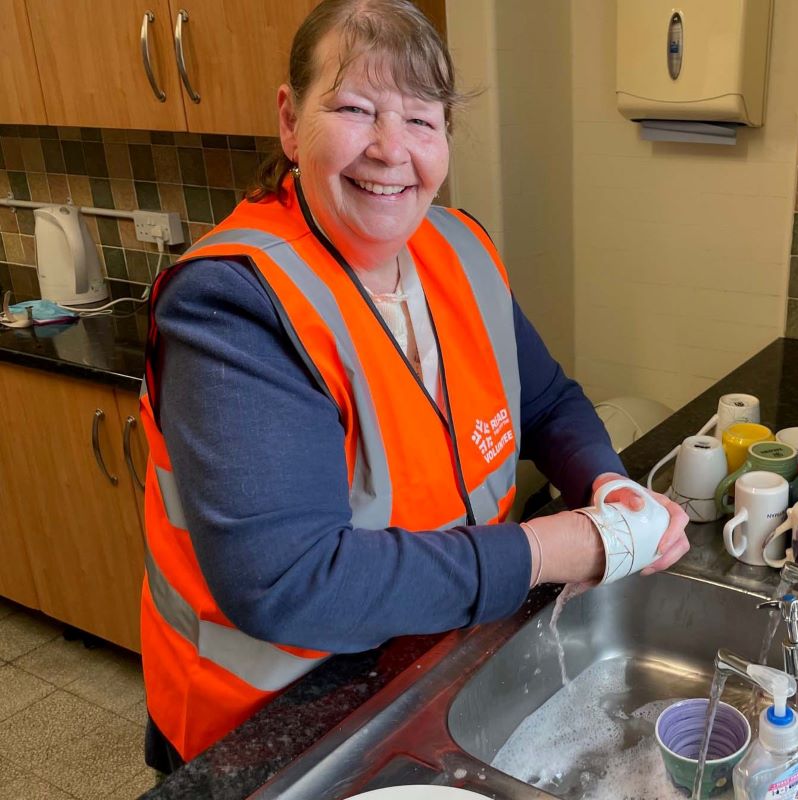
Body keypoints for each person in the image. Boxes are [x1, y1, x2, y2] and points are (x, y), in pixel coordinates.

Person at [138, 0, 689, 773]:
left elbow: (548, 402)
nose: (391, 150)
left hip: (433, 662)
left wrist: (603, 483)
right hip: (275, 729)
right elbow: (291, 581)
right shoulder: (234, 303)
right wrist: (552, 549)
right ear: (292, 122)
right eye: (356, 109)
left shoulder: (458, 246)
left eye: (422, 120)